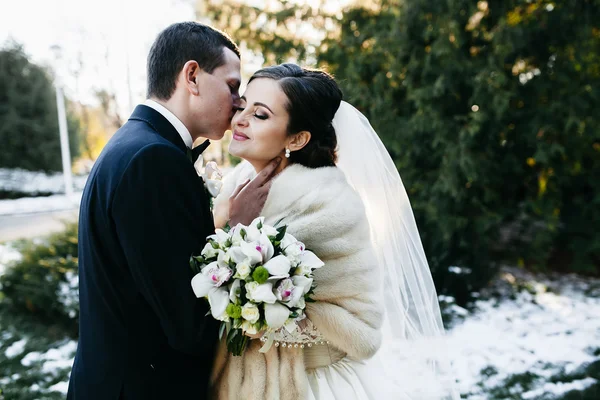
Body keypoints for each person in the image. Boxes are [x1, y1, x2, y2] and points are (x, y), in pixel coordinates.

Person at [209, 64, 459, 399]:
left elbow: (362, 328)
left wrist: (262, 310)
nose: (240, 119)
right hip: (240, 381)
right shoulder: (235, 186)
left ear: (297, 138)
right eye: (244, 106)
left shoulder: (329, 205)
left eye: (261, 115)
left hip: (310, 383)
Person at [67, 22, 280, 400]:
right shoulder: (153, 160)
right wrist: (237, 229)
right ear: (193, 75)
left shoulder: (136, 145)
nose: (239, 103)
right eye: (232, 86)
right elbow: (188, 325)